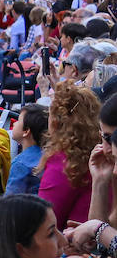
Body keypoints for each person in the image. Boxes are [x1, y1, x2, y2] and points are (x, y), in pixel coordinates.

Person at [38, 81, 101, 229]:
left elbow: (43, 221)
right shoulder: (100, 153)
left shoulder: (64, 162)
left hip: (73, 244)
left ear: (55, 121)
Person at [7, 103, 48, 195]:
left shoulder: (20, 163)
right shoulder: (47, 155)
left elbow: (11, 199)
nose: (14, 123)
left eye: (18, 120)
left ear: (26, 131)